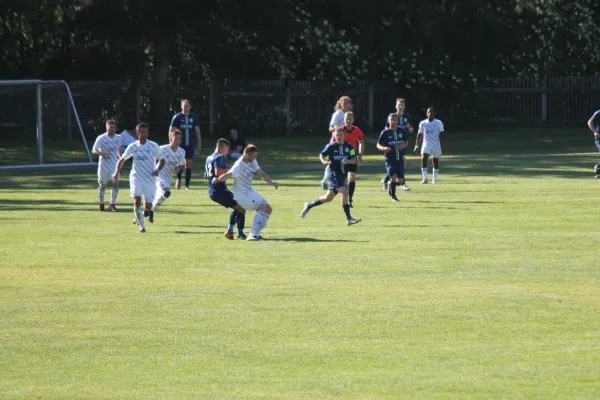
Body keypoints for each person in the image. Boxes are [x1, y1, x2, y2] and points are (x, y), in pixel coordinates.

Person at [212, 145, 278, 241]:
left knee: (268, 209)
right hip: (241, 195)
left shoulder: (252, 161)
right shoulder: (238, 166)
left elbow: (261, 174)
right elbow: (228, 174)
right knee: (262, 208)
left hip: (249, 191)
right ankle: (253, 235)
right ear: (247, 154)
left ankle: (256, 233)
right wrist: (217, 180)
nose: (255, 158)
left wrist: (271, 182)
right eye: (254, 155)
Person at [301, 126, 361, 225]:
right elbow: (321, 155)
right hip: (332, 174)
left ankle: (309, 205)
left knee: (328, 198)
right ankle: (349, 218)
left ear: (344, 135)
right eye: (336, 135)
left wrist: (349, 161)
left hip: (342, 175)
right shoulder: (331, 146)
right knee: (345, 192)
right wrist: (324, 161)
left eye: (340, 135)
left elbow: (354, 160)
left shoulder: (348, 146)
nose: (338, 137)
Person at [113, 123, 164, 233]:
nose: (144, 134)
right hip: (136, 178)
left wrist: (157, 170)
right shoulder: (133, 146)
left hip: (150, 179)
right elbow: (122, 160)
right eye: (141, 132)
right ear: (137, 133)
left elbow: (162, 160)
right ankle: (142, 227)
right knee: (137, 200)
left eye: (145, 132)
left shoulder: (153, 146)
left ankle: (139, 216)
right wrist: (116, 172)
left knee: (148, 206)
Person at [205, 138, 247, 240]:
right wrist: (232, 171)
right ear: (222, 147)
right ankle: (239, 233)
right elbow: (218, 172)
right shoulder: (220, 157)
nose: (227, 152)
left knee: (237, 206)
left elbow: (206, 175)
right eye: (227, 149)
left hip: (212, 191)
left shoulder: (209, 158)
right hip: (219, 191)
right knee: (241, 208)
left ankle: (230, 231)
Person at [149, 129, 186, 221]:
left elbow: (181, 165)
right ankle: (149, 211)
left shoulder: (182, 152)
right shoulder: (162, 149)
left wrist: (177, 173)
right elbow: (152, 157)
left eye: (179, 139)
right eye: (176, 138)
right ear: (171, 139)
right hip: (158, 176)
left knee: (157, 199)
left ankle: (145, 213)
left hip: (168, 179)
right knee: (166, 192)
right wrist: (153, 169)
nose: (178, 141)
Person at [331, 111, 364, 207]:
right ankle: (343, 196)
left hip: (352, 156)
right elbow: (333, 143)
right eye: (346, 119)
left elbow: (361, 141)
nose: (348, 121)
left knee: (352, 177)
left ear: (353, 119)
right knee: (344, 180)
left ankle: (350, 200)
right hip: (341, 157)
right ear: (344, 119)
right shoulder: (340, 130)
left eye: (350, 119)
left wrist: (360, 153)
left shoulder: (357, 130)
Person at [320, 96, 352, 189]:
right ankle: (325, 180)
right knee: (332, 161)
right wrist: (338, 130)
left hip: (344, 141)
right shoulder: (337, 114)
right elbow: (330, 127)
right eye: (343, 102)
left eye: (347, 102)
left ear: (350, 104)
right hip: (336, 139)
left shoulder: (350, 114)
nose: (345, 104)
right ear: (340, 103)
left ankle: (342, 180)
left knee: (343, 161)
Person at [381, 98, 413, 191]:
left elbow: (411, 130)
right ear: (396, 106)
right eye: (398, 105)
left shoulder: (407, 117)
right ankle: (402, 183)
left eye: (402, 105)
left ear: (404, 106)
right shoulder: (392, 117)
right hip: (392, 145)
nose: (400, 106)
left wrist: (408, 127)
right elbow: (386, 130)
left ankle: (386, 180)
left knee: (400, 164)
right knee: (400, 162)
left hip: (401, 144)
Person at [170, 99, 201, 190]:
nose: (186, 107)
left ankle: (187, 185)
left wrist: (199, 143)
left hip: (190, 144)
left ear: (190, 106)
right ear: (181, 106)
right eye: (184, 105)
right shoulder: (177, 117)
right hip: (180, 145)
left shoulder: (194, 117)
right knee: (180, 163)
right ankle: (179, 179)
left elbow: (197, 131)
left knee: (188, 164)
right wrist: (171, 142)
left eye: (187, 105)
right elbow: (171, 130)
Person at [377, 114, 409, 202]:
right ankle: (394, 197)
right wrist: (384, 148)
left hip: (400, 158)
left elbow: (406, 142)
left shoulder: (401, 131)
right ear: (388, 121)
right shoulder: (385, 132)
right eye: (391, 120)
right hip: (390, 159)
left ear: (397, 121)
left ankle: (391, 187)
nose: (393, 121)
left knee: (401, 180)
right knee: (393, 177)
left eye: (394, 120)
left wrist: (403, 145)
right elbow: (378, 144)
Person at [92, 120, 122, 211]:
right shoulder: (101, 138)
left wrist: (121, 158)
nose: (112, 129)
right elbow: (94, 151)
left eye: (113, 127)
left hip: (114, 166)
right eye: (110, 127)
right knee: (102, 185)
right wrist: (102, 154)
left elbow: (118, 149)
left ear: (115, 128)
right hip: (103, 167)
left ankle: (112, 204)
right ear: (106, 127)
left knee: (115, 184)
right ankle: (101, 203)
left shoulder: (118, 138)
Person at [414, 107, 444, 184]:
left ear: (434, 114)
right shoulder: (423, 123)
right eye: (429, 112)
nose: (430, 113)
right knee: (424, 158)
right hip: (426, 144)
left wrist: (441, 145)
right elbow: (419, 134)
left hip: (436, 144)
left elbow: (442, 135)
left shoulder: (438, 123)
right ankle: (425, 179)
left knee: (435, 161)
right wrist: (416, 146)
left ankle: (434, 180)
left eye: (432, 112)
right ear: (427, 113)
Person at [586, 109, 600, 179]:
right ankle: (598, 168)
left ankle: (598, 168)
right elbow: (590, 122)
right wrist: (595, 132)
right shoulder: (598, 113)